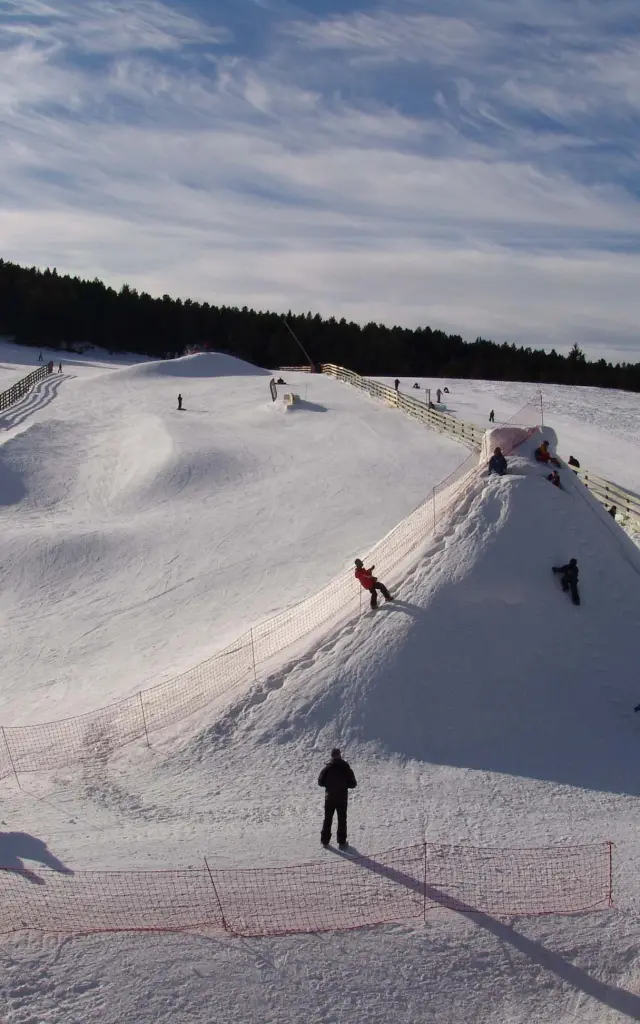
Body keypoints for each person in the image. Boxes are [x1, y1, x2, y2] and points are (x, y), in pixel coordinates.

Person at [318, 748, 357, 849]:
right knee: (342, 820)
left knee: (327, 819)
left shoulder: (327, 768)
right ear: (340, 755)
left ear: (331, 756)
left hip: (329, 798)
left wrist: (329, 785)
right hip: (342, 798)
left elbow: (320, 782)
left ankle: (325, 841)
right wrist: (344, 785)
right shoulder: (346, 768)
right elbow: (353, 784)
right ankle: (342, 842)